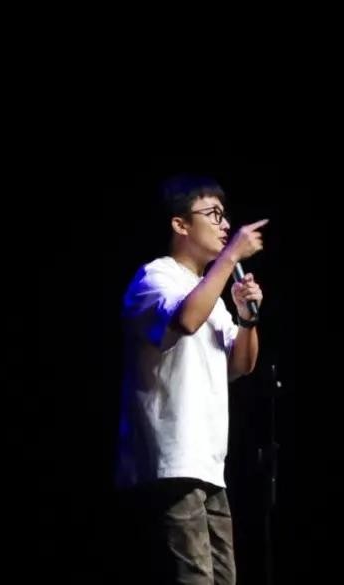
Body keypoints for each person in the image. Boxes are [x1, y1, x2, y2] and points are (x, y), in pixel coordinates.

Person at [114, 174, 266, 583]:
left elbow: (241, 365)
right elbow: (184, 320)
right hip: (170, 462)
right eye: (213, 214)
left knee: (223, 578)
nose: (224, 224)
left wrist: (247, 318)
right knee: (192, 577)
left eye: (224, 215)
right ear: (180, 224)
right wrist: (230, 259)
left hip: (208, 463)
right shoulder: (155, 277)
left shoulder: (210, 295)